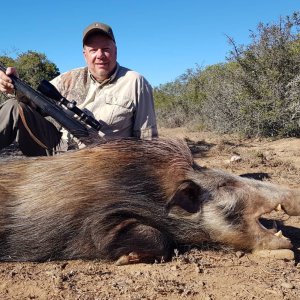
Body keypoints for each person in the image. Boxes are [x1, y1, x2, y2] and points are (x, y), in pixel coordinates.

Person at [0, 22, 158, 156]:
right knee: (13, 107)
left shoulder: (135, 82)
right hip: (61, 149)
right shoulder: (69, 78)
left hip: (106, 160)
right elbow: (35, 105)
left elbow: (147, 138)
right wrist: (14, 86)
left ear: (116, 50)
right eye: (93, 50)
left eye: (106, 49)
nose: (100, 55)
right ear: (85, 55)